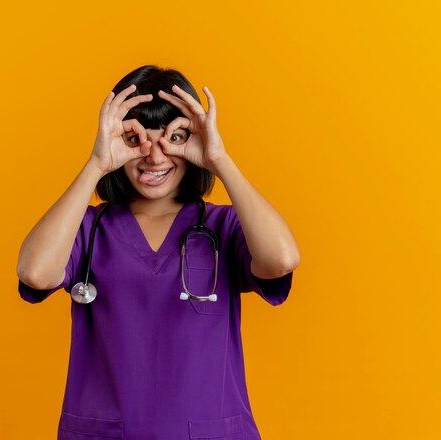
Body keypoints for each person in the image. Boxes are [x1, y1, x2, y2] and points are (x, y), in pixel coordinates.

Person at [16, 65, 300, 440]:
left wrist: (220, 159)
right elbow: (35, 271)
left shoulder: (224, 227)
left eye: (175, 137)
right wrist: (96, 164)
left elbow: (281, 258)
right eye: (136, 141)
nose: (154, 156)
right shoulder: (87, 229)